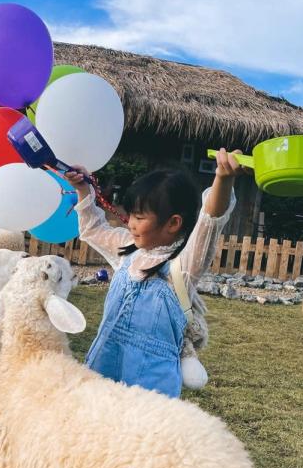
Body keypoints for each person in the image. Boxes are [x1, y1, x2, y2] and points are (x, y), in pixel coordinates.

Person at [63, 148, 245, 398]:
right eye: (131, 216)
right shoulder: (128, 252)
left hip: (150, 390)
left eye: (139, 217)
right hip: (102, 372)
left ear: (173, 223)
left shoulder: (183, 268)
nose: (130, 223)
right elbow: (94, 228)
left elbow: (210, 222)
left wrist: (223, 180)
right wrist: (84, 189)